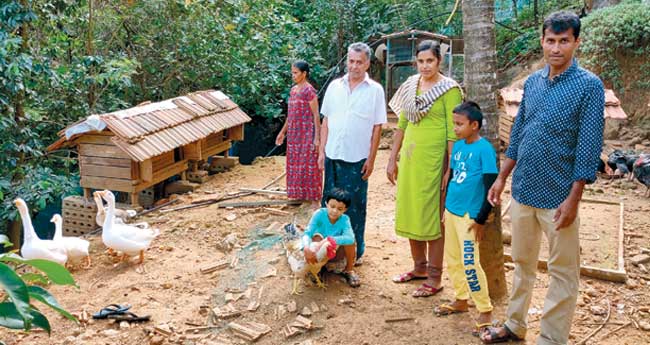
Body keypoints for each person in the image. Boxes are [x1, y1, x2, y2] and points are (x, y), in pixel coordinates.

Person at [480, 11, 605, 345]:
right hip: (523, 189)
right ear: (542, 41)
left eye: (564, 41)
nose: (556, 48)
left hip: (560, 198)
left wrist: (574, 198)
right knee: (522, 263)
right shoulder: (533, 82)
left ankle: (551, 339)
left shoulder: (589, 87)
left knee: (563, 272)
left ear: (576, 42)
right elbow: (519, 132)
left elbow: (589, 145)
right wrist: (502, 178)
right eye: (551, 40)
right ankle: (515, 324)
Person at [387, 39, 463, 297]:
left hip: (434, 160)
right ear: (415, 62)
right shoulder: (411, 86)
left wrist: (449, 169)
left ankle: (434, 276)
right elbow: (402, 124)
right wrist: (391, 157)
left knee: (433, 216)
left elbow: (453, 131)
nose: (425, 66)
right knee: (411, 210)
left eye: (430, 61)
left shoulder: (449, 89)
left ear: (439, 61)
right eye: (420, 61)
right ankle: (418, 268)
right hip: (410, 160)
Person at [319, 42, 387, 265]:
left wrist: (371, 158)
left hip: (357, 158)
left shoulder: (375, 90)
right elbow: (326, 120)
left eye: (359, 62)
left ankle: (354, 252)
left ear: (367, 63)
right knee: (328, 204)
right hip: (332, 155)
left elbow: (377, 127)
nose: (354, 66)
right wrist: (321, 151)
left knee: (355, 205)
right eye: (351, 61)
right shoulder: (334, 87)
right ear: (346, 61)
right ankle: (326, 251)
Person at [432, 102, 496, 337]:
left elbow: (491, 188)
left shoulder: (485, 150)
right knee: (454, 259)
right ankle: (461, 298)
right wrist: (445, 209)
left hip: (470, 217)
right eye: (454, 124)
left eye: (460, 124)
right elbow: (452, 180)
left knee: (470, 263)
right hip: (452, 212)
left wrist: (481, 219)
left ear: (474, 125)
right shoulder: (458, 147)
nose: (456, 128)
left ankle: (485, 309)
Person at [276, 60, 322, 209]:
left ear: (304, 74)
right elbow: (291, 114)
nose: (293, 75)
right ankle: (299, 196)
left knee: (310, 165)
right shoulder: (293, 90)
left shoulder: (309, 91)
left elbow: (316, 115)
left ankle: (315, 199)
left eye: (296, 73)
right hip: (295, 135)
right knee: (295, 165)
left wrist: (317, 138)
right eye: (292, 73)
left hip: (307, 133)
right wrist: (283, 132)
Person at [302, 188, 359, 287]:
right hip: (318, 251)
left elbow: (350, 238)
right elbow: (307, 233)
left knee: (351, 242)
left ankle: (349, 270)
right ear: (326, 204)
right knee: (315, 238)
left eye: (340, 209)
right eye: (332, 206)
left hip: (334, 252)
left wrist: (328, 239)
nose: (334, 211)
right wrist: (306, 248)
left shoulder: (345, 219)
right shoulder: (319, 214)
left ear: (345, 210)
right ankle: (316, 270)